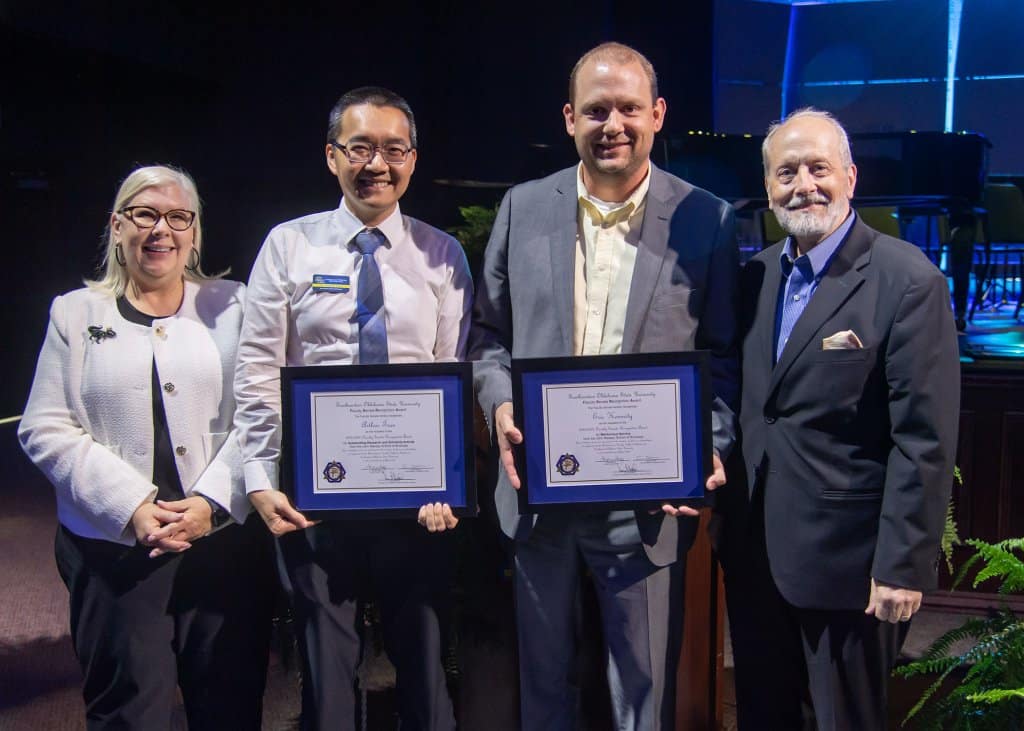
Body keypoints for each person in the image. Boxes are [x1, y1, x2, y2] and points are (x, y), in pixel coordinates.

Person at [469, 42, 739, 730]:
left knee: (641, 700)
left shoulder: (707, 219)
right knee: (544, 689)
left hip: (646, 504)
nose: (611, 123)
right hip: (538, 492)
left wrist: (707, 442)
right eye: (595, 109)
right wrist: (499, 401)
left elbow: (723, 355)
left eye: (627, 107)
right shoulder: (522, 208)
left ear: (657, 113)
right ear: (569, 118)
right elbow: (486, 336)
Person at [234, 86, 473, 730]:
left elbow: (453, 375)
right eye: (360, 147)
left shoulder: (442, 255)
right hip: (313, 500)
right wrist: (260, 478)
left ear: (413, 160)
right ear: (331, 156)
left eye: (394, 149)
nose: (377, 164)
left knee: (425, 674)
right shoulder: (288, 246)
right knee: (326, 680)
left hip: (416, 504)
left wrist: (447, 483)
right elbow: (257, 371)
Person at [722, 108, 960, 730]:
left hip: (850, 570)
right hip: (756, 559)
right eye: (786, 172)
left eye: (818, 168)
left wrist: (903, 564)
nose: (804, 185)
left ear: (851, 178)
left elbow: (924, 438)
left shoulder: (908, 280)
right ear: (769, 188)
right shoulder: (754, 277)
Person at [18, 165, 274, 729]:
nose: (162, 229)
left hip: (224, 544)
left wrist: (210, 502)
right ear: (117, 226)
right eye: (144, 214)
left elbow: (262, 413)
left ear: (195, 234)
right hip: (113, 551)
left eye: (178, 217)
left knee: (230, 707)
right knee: (126, 712)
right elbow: (43, 426)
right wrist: (131, 504)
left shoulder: (234, 306)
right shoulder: (73, 313)